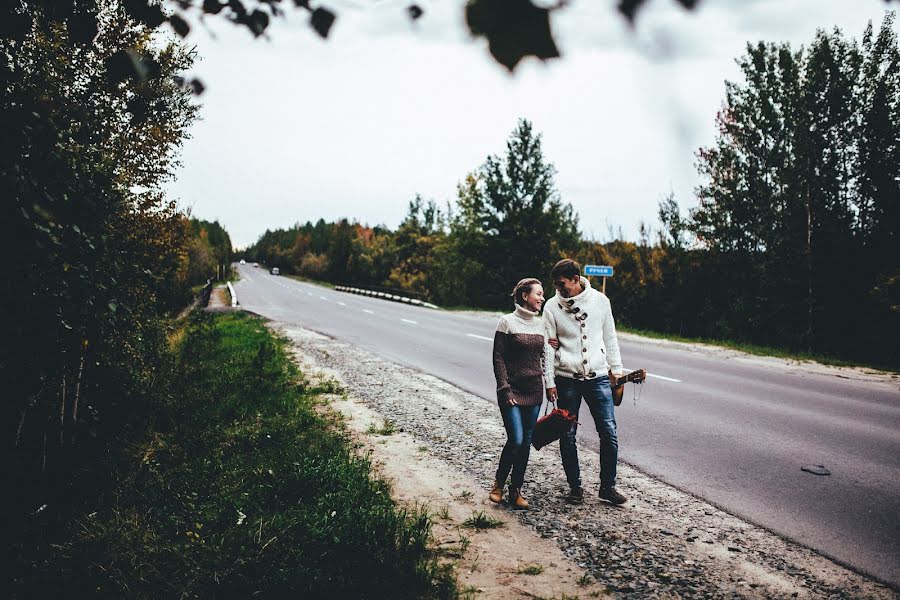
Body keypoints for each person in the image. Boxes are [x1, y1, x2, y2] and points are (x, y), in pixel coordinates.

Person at [543, 259, 627, 505]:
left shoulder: (600, 301)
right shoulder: (551, 307)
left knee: (609, 432)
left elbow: (610, 336)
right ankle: (575, 488)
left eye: (563, 284)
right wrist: (549, 381)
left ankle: (607, 487)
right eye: (556, 286)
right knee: (567, 435)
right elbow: (548, 347)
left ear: (576, 279)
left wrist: (617, 369)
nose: (559, 289)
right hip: (567, 379)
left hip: (598, 378)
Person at [490, 278, 558, 509]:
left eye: (542, 294)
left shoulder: (542, 326)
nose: (541, 298)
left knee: (527, 442)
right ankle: (498, 484)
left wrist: (550, 384)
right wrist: (504, 387)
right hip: (511, 391)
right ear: (524, 296)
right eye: (538, 294)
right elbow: (498, 358)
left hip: (534, 391)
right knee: (516, 439)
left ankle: (516, 490)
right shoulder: (506, 322)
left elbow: (546, 358)